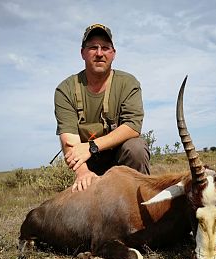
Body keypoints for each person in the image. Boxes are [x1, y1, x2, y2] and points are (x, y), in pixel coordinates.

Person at [54, 23, 150, 192]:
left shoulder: (128, 83)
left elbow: (133, 127)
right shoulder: (65, 89)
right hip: (87, 163)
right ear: (82, 53)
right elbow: (70, 142)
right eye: (93, 47)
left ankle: (141, 202)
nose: (99, 53)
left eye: (105, 48)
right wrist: (83, 173)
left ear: (113, 54)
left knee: (136, 148)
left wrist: (92, 146)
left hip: (120, 159)